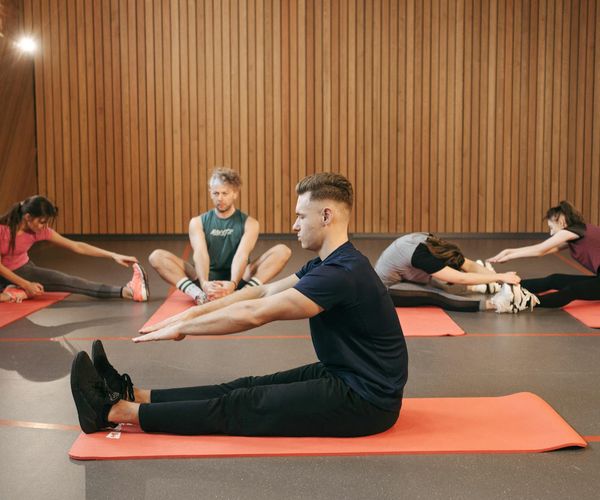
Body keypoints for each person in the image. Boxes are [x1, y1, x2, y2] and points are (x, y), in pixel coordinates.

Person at [70, 172, 408, 438]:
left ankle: (113, 412)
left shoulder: (342, 273)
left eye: (300, 216)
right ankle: (135, 395)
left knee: (243, 405)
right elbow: (260, 293)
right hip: (347, 375)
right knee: (244, 386)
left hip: (366, 400)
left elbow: (256, 314)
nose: (294, 226)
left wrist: (182, 328)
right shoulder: (329, 263)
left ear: (326, 215)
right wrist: (192, 311)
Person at [149, 167, 291, 304]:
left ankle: (243, 294)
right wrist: (204, 283)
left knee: (282, 251)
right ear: (210, 193)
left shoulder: (250, 223)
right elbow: (200, 254)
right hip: (205, 280)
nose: (220, 198)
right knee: (157, 256)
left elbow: (241, 255)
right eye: (216, 193)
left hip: (238, 279)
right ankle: (199, 295)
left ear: (235, 193)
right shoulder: (197, 222)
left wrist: (233, 283)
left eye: (225, 193)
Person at [0, 195, 148, 302]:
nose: (44, 226)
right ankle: (13, 292)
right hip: (2, 272)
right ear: (27, 217)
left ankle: (127, 292)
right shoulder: (3, 230)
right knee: (25, 288)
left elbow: (77, 246)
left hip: (23, 269)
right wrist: (26, 284)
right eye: (41, 222)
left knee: (68, 281)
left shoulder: (40, 231)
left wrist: (113, 255)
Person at [374, 233, 536, 313]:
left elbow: (468, 264)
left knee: (443, 282)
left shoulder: (433, 243)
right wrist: (499, 277)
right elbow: (461, 277)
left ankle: (485, 287)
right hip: (386, 290)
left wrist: (502, 281)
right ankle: (495, 303)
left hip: (406, 272)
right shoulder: (423, 258)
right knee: (436, 295)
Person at [488, 201, 600, 308]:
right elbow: (546, 249)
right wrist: (509, 251)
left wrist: (509, 256)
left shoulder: (573, 231)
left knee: (572, 290)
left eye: (551, 227)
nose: (551, 233)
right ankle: (505, 286)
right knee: (554, 279)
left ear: (561, 222)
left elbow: (539, 250)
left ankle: (523, 301)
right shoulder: (578, 232)